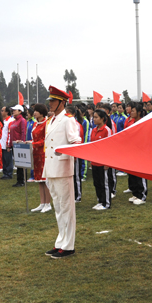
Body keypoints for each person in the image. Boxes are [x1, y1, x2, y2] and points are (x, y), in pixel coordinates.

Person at [42, 86, 82, 259]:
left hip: (63, 168)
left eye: (53, 101)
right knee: (58, 208)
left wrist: (63, 153)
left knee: (66, 208)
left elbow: (76, 142)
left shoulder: (67, 120)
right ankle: (60, 242)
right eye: (50, 100)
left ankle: (68, 245)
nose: (50, 103)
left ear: (62, 103)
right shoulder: (52, 120)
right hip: (51, 168)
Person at [28, 103, 52, 213]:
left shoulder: (47, 123)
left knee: (45, 180)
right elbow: (35, 139)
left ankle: (48, 203)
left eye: (36, 111)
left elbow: (45, 140)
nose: (34, 113)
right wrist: (28, 142)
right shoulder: (35, 124)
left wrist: (33, 144)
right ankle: (42, 203)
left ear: (42, 112)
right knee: (39, 180)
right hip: (36, 153)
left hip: (44, 153)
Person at [89, 109, 114, 210]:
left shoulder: (107, 130)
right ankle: (100, 201)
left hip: (103, 162)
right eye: (93, 117)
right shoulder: (94, 130)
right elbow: (92, 146)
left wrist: (107, 162)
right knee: (97, 183)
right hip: (95, 161)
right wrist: (91, 160)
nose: (94, 119)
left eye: (96, 117)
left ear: (102, 118)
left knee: (105, 183)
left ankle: (106, 203)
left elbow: (110, 147)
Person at [125, 103, 150, 204]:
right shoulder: (131, 122)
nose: (131, 112)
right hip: (132, 151)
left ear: (139, 112)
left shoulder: (143, 123)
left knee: (140, 174)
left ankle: (142, 196)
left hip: (141, 152)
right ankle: (135, 194)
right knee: (133, 174)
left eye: (133, 111)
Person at [9, 105, 27, 187]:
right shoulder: (14, 121)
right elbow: (11, 134)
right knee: (17, 163)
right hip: (14, 145)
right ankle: (19, 180)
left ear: (20, 111)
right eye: (13, 110)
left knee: (21, 163)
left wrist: (22, 142)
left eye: (15, 110)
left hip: (19, 145)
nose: (13, 111)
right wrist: (10, 144)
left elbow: (23, 132)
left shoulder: (22, 120)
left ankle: (22, 180)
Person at [0, 106, 14, 180]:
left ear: (7, 112)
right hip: (1, 143)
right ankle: (5, 172)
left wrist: (8, 144)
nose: (1, 112)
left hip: (6, 143)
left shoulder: (10, 120)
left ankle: (9, 173)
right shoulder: (3, 120)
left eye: (2, 110)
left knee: (8, 159)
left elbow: (9, 133)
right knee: (4, 159)